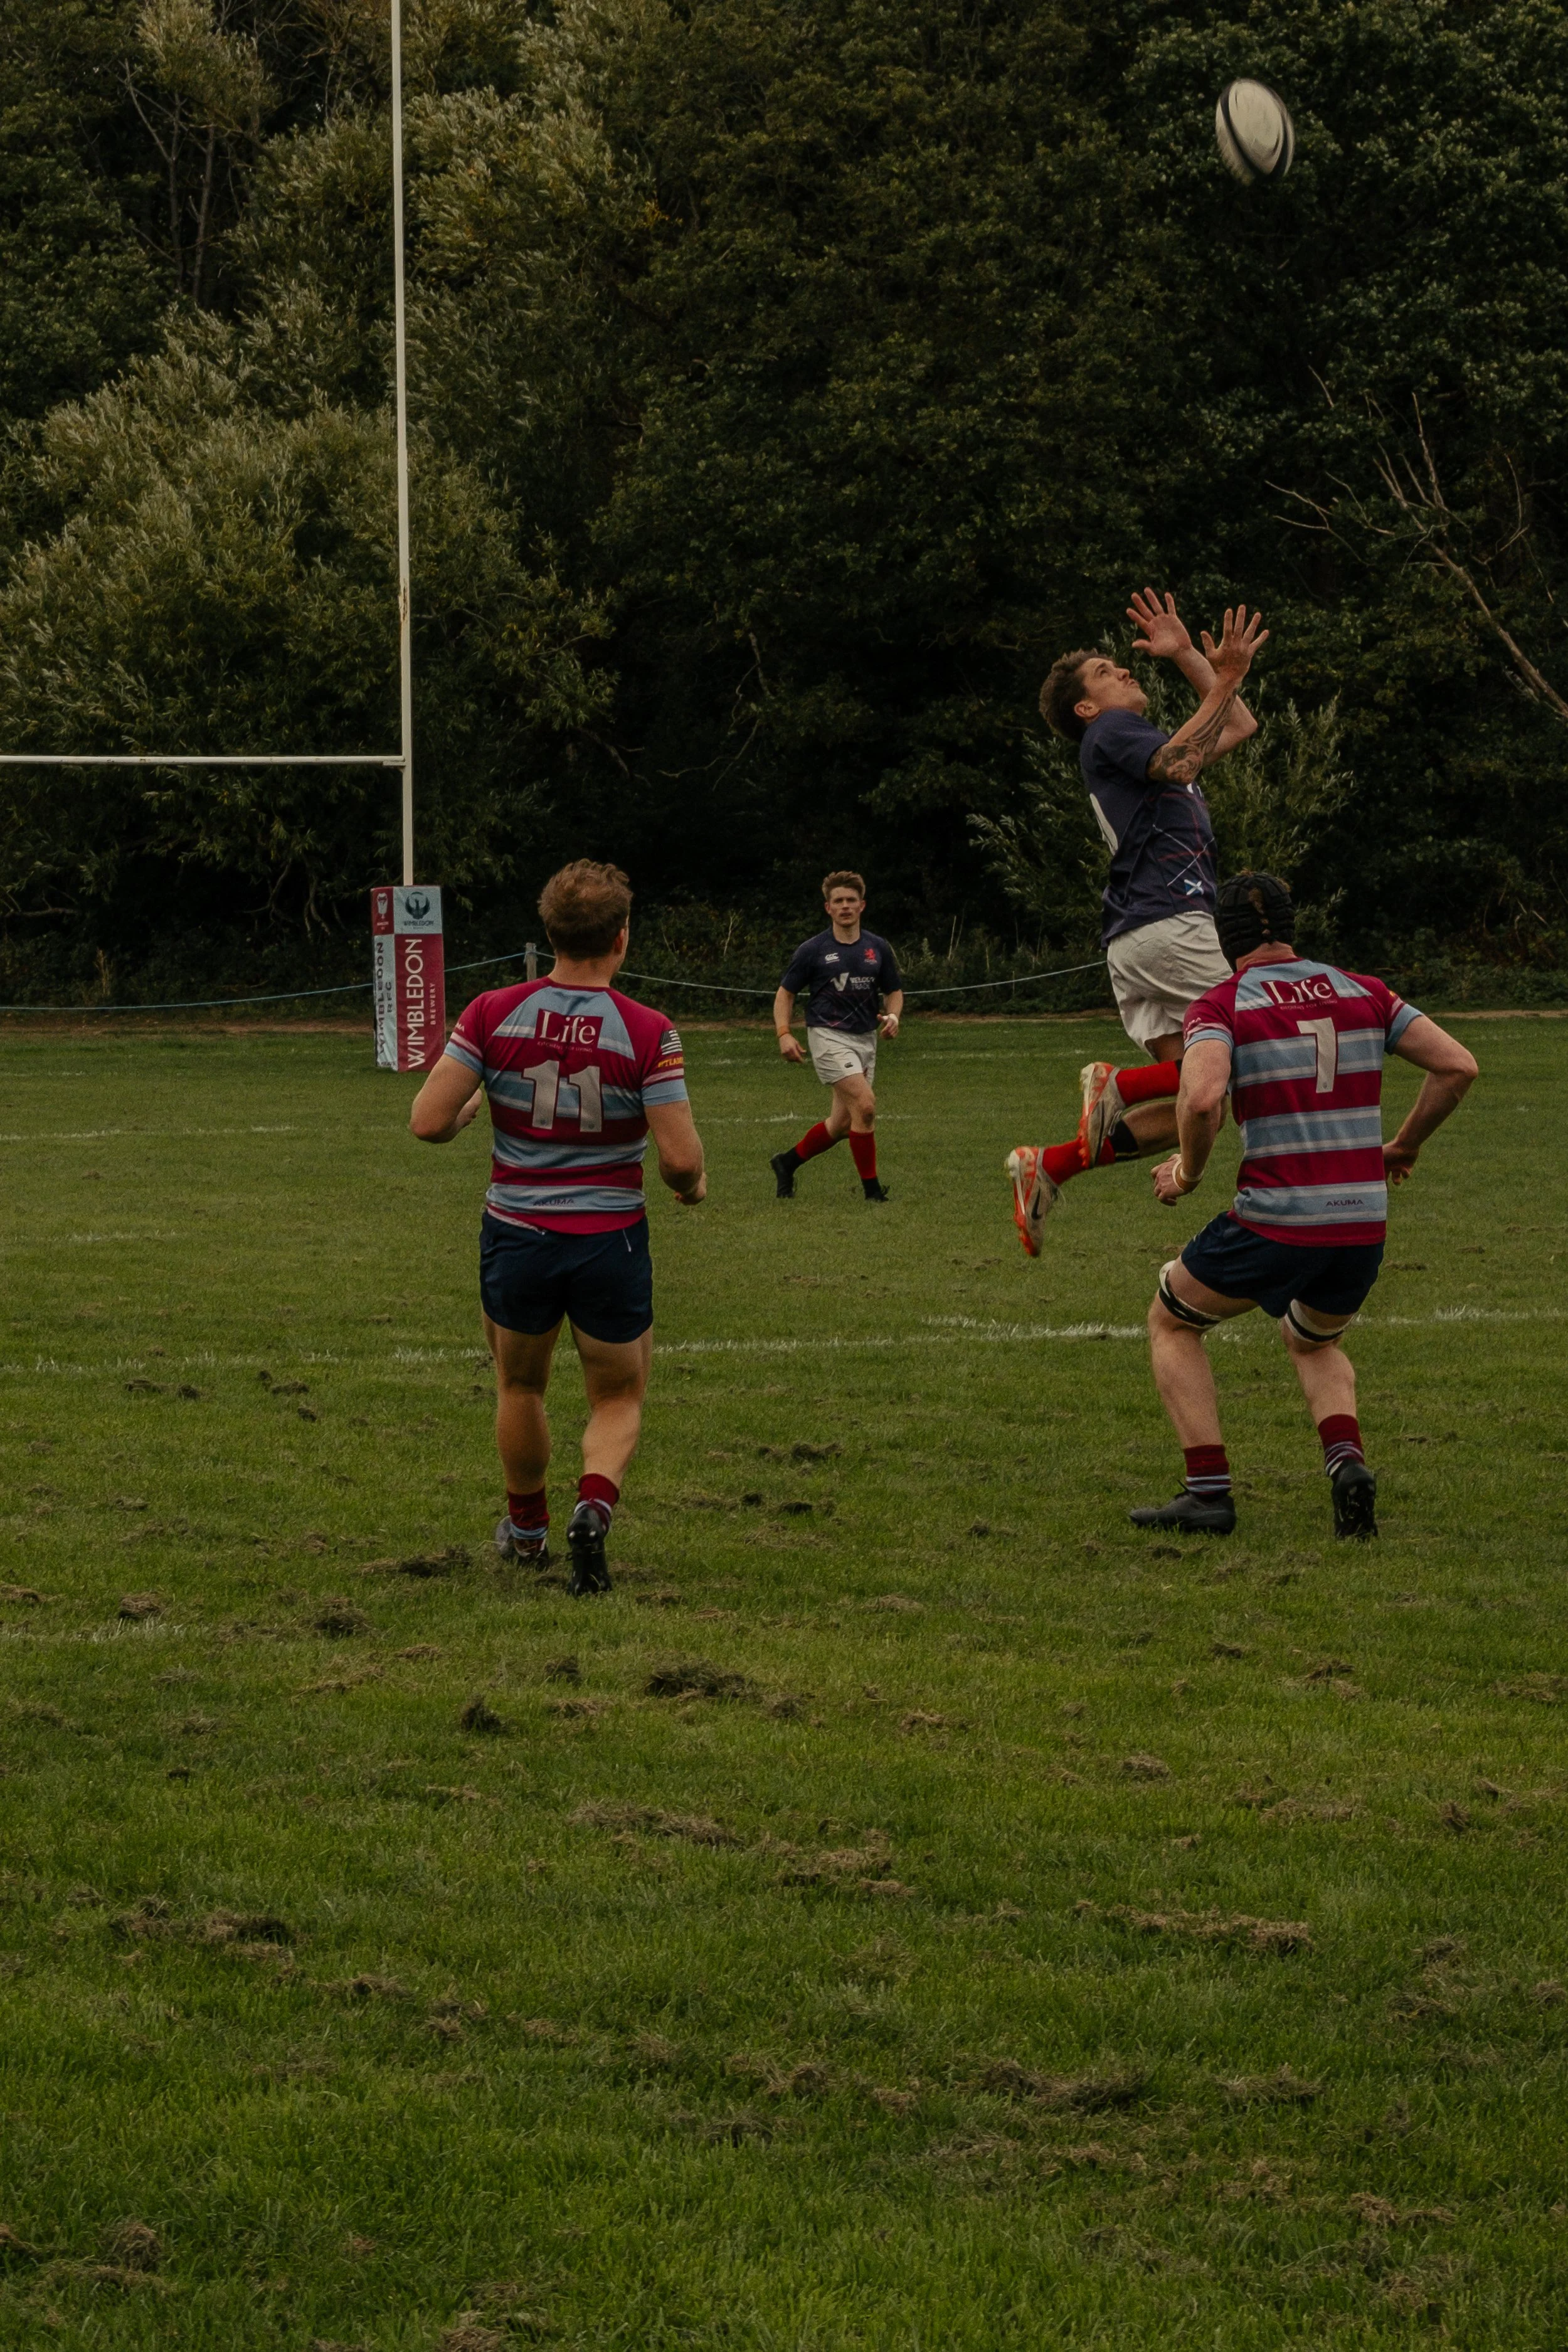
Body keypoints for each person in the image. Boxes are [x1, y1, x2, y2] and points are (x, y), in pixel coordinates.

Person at [1130, 871, 1476, 1540]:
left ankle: (1207, 1495)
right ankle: (1347, 1466)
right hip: (1361, 1222)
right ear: (1291, 925)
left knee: (1171, 1319)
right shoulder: (1365, 991)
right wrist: (1401, 1147)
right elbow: (1457, 1065)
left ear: (1222, 937)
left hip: (1277, 1218)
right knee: (1312, 1338)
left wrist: (1187, 1172)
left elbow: (1201, 1100)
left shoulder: (1221, 1004)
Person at [408, 860, 706, 1596]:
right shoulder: (649, 1030)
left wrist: (474, 1110)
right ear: (622, 940)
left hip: (518, 1233)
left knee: (520, 1385)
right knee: (617, 1395)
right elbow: (678, 1161)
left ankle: (528, 1531)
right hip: (608, 1239)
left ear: (549, 934)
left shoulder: (490, 1011)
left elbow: (427, 1122)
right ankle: (594, 1510)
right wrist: (693, 1186)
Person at [1007, 592, 1266, 1256]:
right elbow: (1180, 760)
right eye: (1104, 671)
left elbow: (1236, 726)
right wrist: (1226, 673)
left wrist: (1186, 656)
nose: (1123, 670)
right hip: (1171, 921)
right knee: (1248, 1054)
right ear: (1085, 708)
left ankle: (1052, 1167)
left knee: (1199, 1097)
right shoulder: (1111, 734)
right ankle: (1117, 1085)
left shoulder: (1134, 740)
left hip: (1139, 935)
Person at [770, 871, 904, 1202]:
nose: (845, 906)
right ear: (828, 908)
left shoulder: (877, 947)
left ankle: (787, 1162)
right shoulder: (813, 950)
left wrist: (893, 1016)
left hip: (865, 1039)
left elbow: (895, 991)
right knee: (866, 1105)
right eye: (838, 901)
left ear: (862, 905)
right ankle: (873, 1192)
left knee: (843, 1124)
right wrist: (784, 1033)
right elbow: (785, 994)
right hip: (827, 1035)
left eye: (851, 900)